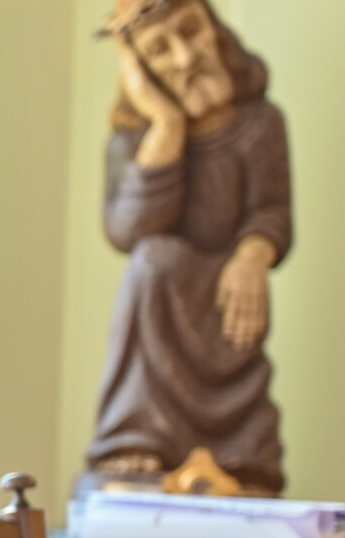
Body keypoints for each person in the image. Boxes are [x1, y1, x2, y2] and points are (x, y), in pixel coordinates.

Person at [87, 0, 291, 492]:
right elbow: (129, 230)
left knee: (169, 268)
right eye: (159, 50)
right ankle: (135, 438)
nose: (184, 57)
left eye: (191, 30)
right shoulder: (131, 143)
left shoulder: (260, 123)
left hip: (227, 304)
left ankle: (241, 455)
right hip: (160, 308)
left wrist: (252, 255)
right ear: (138, 69)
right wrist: (168, 125)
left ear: (215, 29)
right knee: (153, 260)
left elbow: (272, 211)